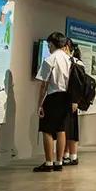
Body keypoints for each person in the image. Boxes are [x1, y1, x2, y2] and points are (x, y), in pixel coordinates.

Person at [34, 32, 72, 172]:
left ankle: (49, 162)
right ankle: (59, 162)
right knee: (61, 129)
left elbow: (43, 84)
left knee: (47, 130)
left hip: (53, 97)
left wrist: (39, 104)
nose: (48, 47)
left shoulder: (50, 60)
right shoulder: (70, 59)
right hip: (66, 97)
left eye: (49, 45)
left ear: (51, 44)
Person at [63, 39, 83, 166]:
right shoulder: (72, 61)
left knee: (70, 128)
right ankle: (66, 155)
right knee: (67, 128)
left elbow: (77, 83)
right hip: (68, 99)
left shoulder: (75, 63)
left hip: (71, 100)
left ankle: (73, 156)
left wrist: (75, 100)